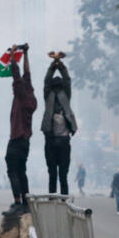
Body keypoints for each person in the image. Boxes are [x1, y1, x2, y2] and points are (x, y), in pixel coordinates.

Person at [5, 43, 37, 214]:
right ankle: (25, 201)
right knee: (22, 171)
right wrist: (25, 54)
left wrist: (11, 55)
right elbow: (27, 74)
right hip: (25, 141)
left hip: (16, 139)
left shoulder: (22, 96)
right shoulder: (30, 96)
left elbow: (16, 75)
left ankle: (18, 201)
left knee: (12, 169)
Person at [41, 54, 77, 195]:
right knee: (60, 174)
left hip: (54, 141)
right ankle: (61, 199)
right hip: (60, 141)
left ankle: (57, 198)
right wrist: (57, 66)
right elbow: (65, 81)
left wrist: (57, 66)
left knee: (56, 174)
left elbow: (48, 82)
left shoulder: (56, 97)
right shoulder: (63, 97)